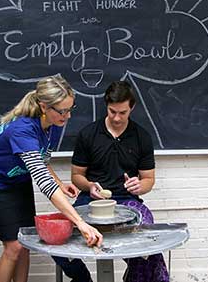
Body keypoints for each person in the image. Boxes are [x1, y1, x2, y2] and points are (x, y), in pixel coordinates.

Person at [0, 75, 103, 282]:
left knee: (24, 242)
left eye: (70, 109)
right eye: (62, 111)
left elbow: (41, 160)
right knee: (13, 247)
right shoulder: (23, 129)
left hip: (17, 181)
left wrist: (60, 183)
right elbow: (44, 183)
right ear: (44, 106)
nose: (68, 116)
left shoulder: (49, 124)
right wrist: (81, 223)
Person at [54, 81, 169, 282]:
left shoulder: (142, 137)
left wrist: (139, 185)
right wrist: (89, 186)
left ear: (131, 107)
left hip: (127, 200)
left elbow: (149, 180)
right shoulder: (88, 134)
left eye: (122, 113)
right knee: (56, 238)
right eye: (112, 111)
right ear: (106, 106)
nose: (116, 118)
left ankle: (134, 277)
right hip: (90, 201)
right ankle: (82, 279)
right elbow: (76, 176)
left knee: (148, 246)